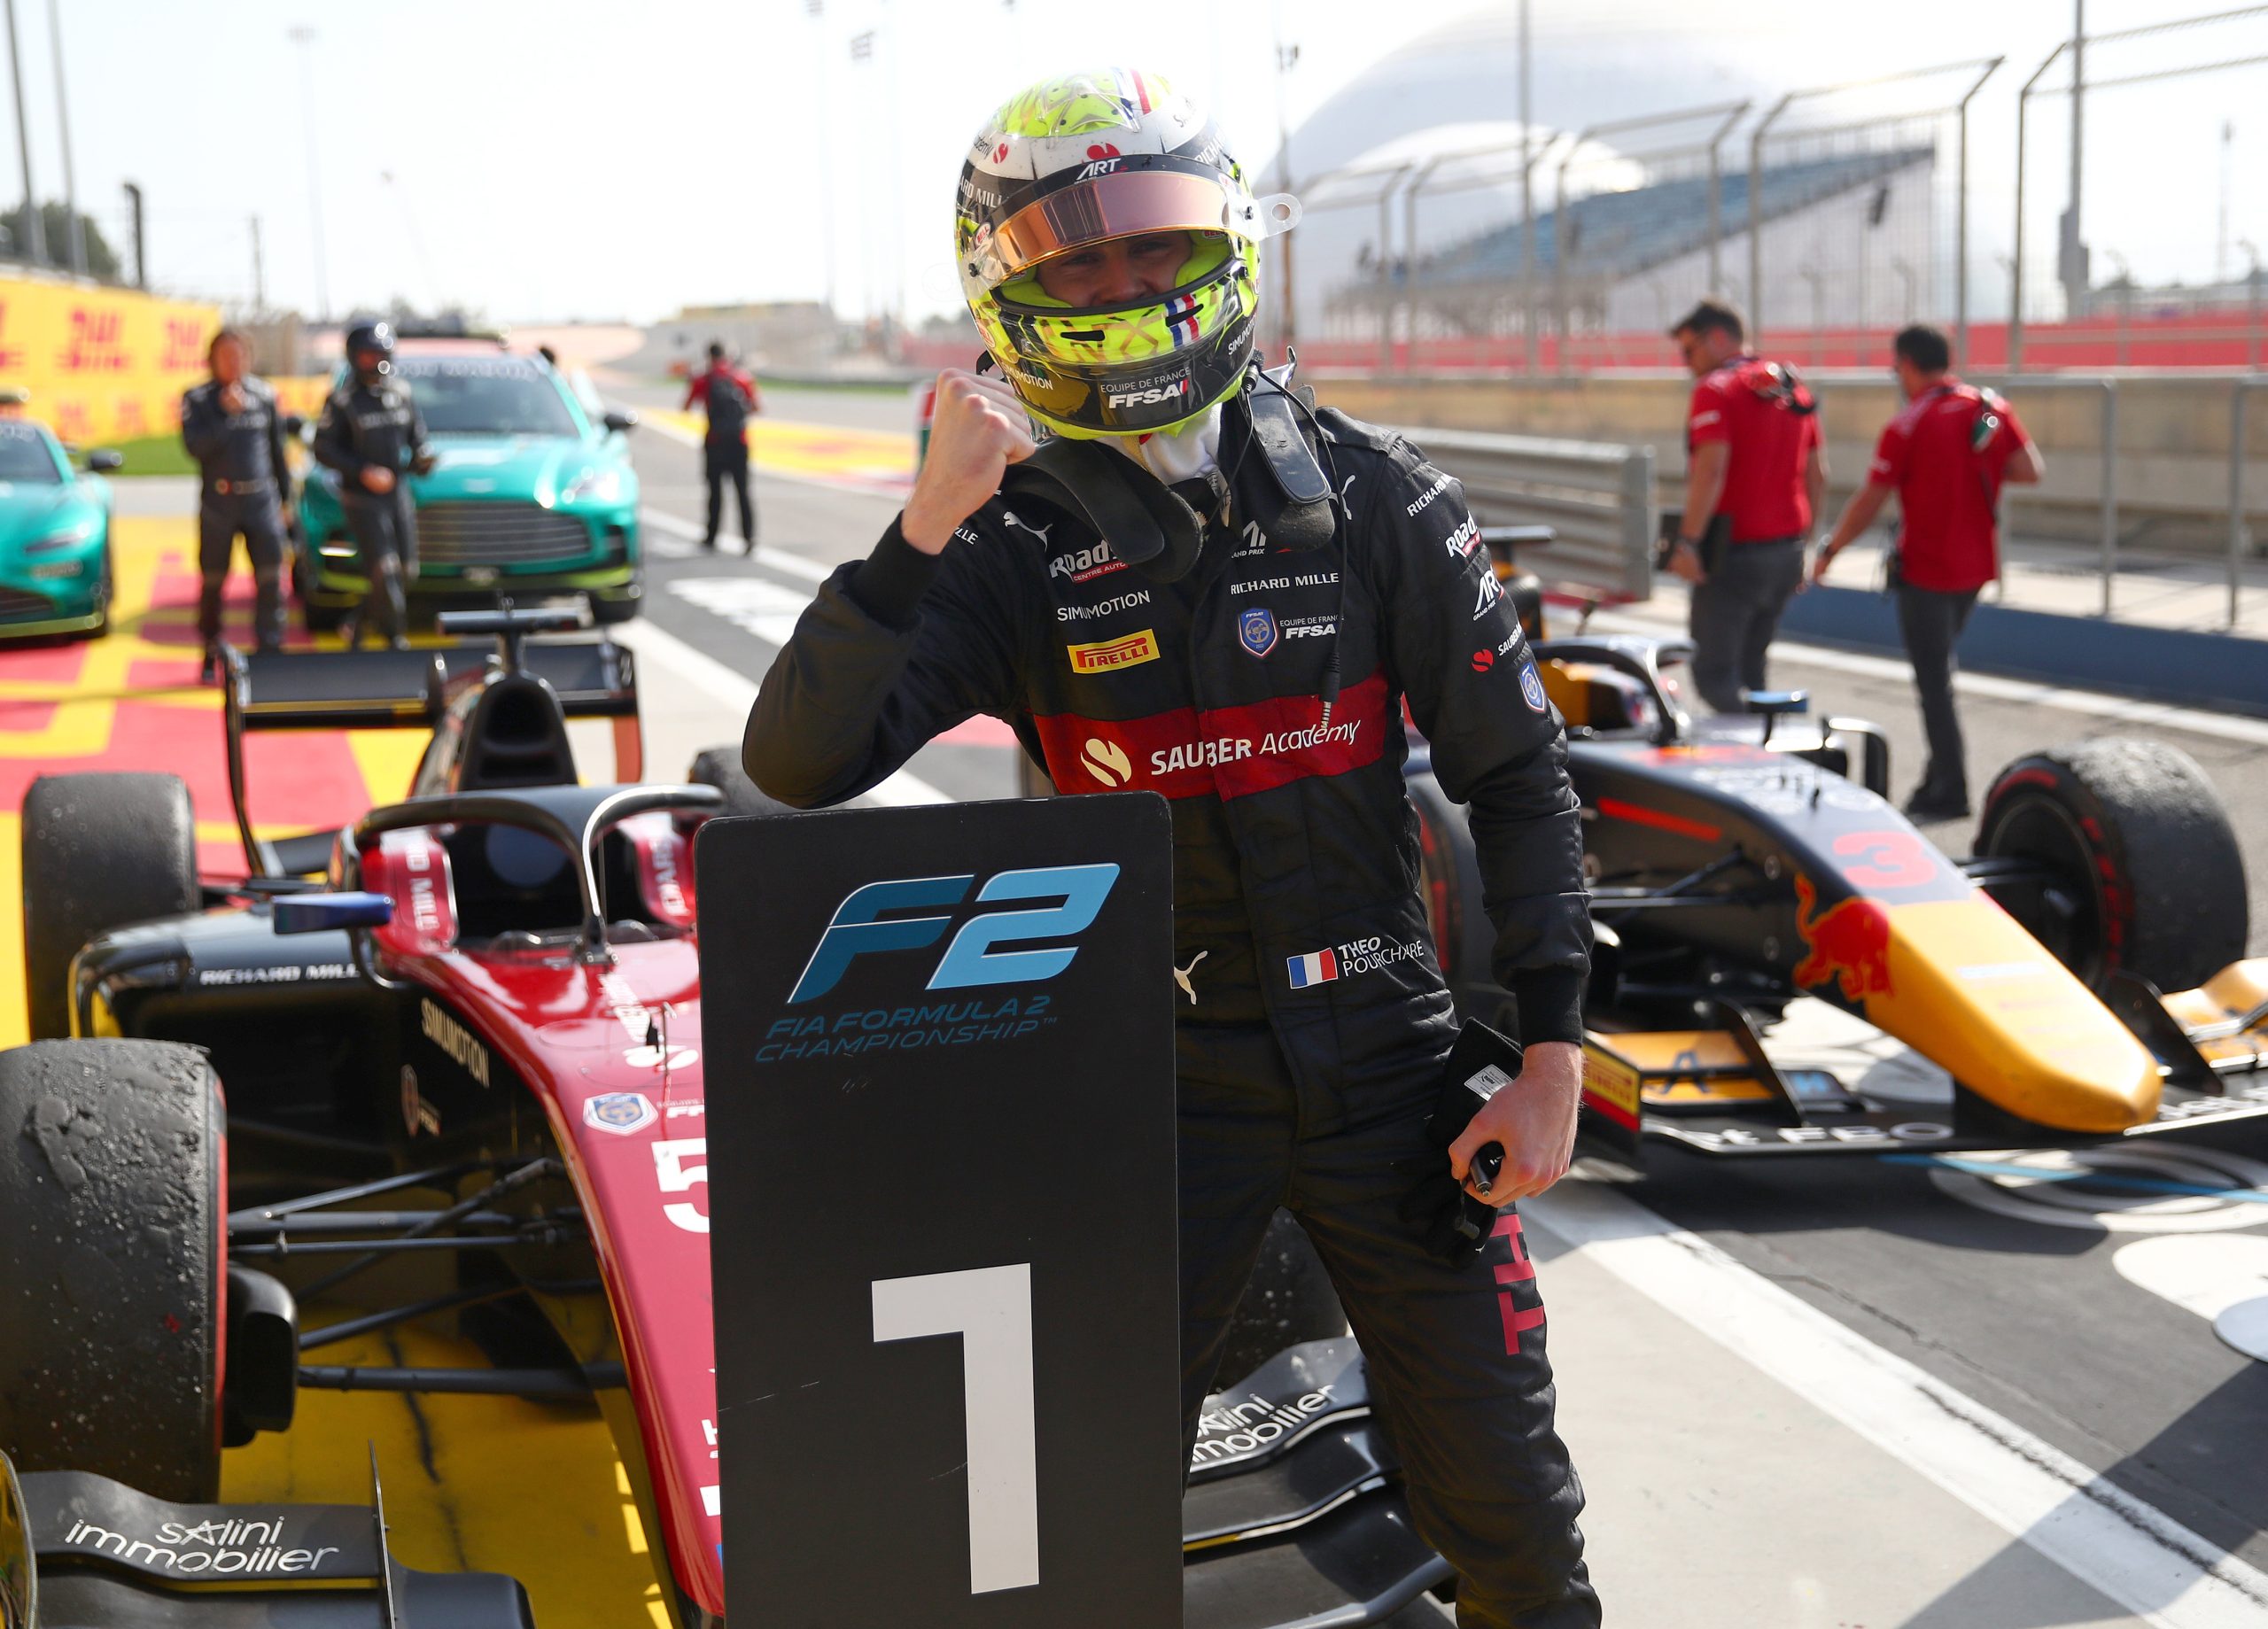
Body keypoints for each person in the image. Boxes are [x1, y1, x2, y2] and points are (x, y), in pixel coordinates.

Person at [744, 68, 1598, 1628]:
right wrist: (922, 520)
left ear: (1229, 249)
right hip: (1147, 1092)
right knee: (1059, 1528)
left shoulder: (1377, 494)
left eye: (1154, 243)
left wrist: (1550, 1048)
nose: (1126, 284)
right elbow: (797, 759)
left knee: (1518, 1526)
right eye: (1080, 258)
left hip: (1398, 1080)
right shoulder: (997, 546)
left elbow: (1521, 771)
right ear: (1009, 286)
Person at [1813, 324, 2044, 819]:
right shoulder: (1990, 409)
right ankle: (1938, 777)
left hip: (1927, 570)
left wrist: (1830, 548)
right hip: (1976, 567)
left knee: (1934, 682)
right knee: (1941, 673)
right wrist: (1971, 469)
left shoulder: (1908, 424)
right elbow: (2029, 469)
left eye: (1897, 368)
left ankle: (1951, 788)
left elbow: (1870, 499)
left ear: (1910, 366)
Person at [1666, 299, 1828, 712]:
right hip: (1785, 551)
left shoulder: (1715, 390)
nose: (1687, 363)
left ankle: (1744, 762)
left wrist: (1686, 543)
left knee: (1715, 676)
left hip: (1733, 557)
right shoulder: (1793, 388)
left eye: (1690, 350)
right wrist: (1803, 545)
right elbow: (1818, 475)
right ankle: (1765, 748)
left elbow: (1710, 472)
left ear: (1718, 338)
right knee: (1752, 671)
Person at [312, 322, 434, 649]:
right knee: (384, 569)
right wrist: (362, 470)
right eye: (368, 355)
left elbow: (417, 436)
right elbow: (322, 449)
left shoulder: (401, 393)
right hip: (361, 499)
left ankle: (356, 623)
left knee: (406, 571)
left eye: (380, 354)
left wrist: (423, 456)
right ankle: (395, 638)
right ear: (354, 357)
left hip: (398, 494)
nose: (375, 362)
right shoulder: (342, 401)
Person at [179, 329, 291, 679]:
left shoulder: (264, 394)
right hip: (219, 504)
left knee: (271, 577)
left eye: (239, 354)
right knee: (213, 581)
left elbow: (278, 453)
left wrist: (285, 501)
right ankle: (211, 651)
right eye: (225, 355)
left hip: (261, 500)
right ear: (212, 359)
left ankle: (269, 650)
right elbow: (194, 448)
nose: (233, 362)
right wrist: (225, 418)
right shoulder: (198, 399)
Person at [682, 341, 759, 553]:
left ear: (709, 356)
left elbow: (686, 407)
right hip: (739, 442)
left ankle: (711, 536)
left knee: (714, 492)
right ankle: (749, 538)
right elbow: (756, 407)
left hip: (715, 442)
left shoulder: (703, 379)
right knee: (743, 491)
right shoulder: (742, 377)